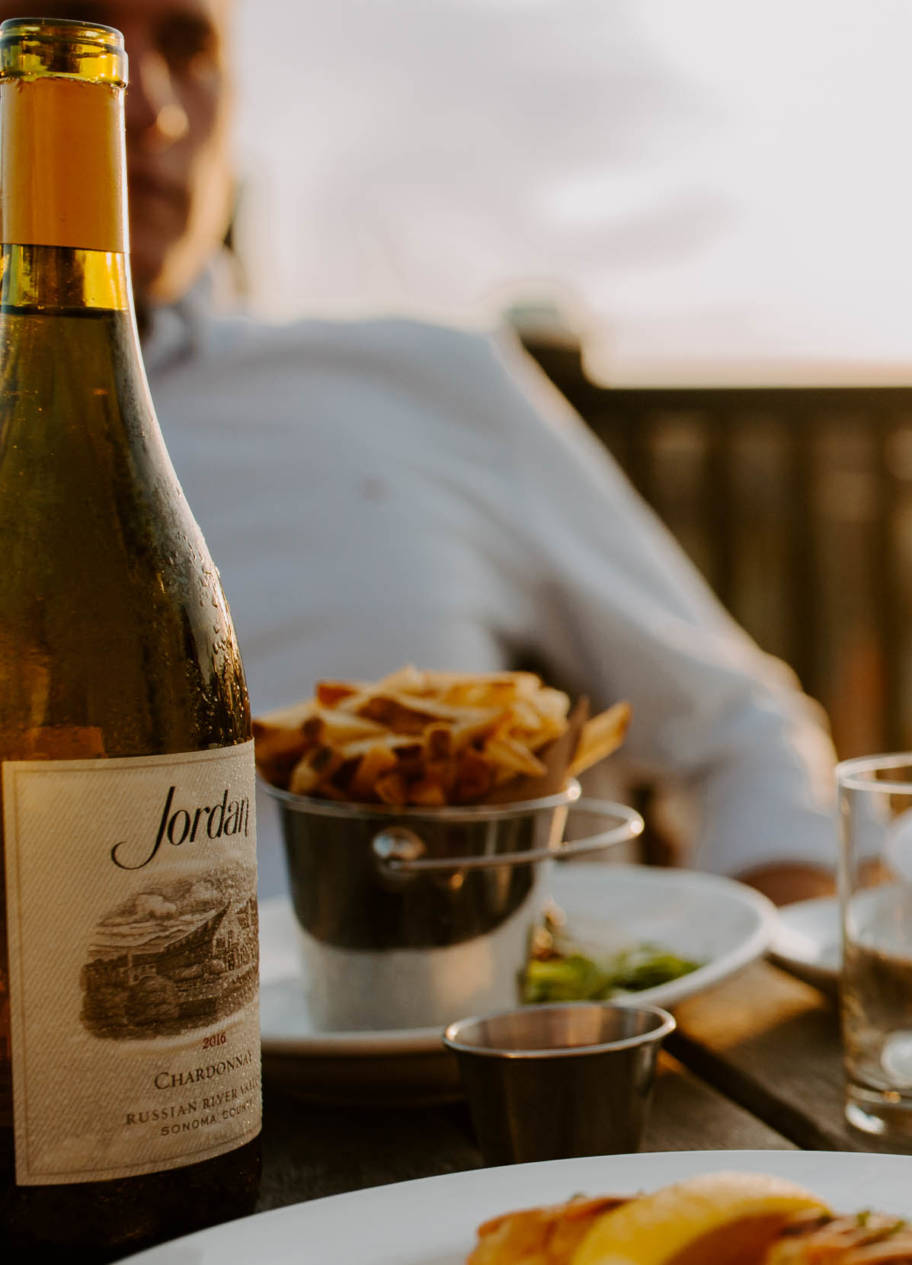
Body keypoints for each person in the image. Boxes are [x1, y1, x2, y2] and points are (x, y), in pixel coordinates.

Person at [13, 0, 841, 905]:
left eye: (188, 45)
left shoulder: (428, 382)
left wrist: (753, 991)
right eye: (70, 35)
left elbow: (744, 732)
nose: (149, 104)